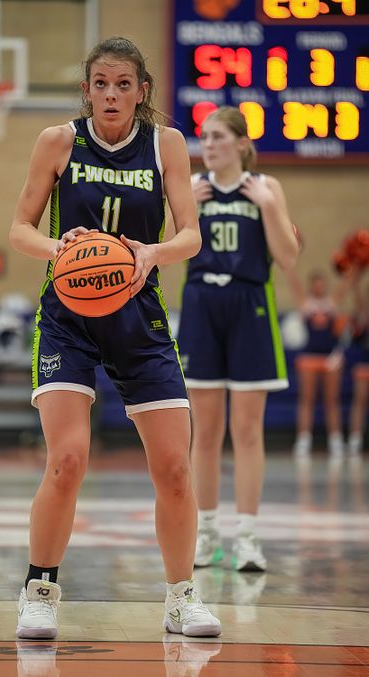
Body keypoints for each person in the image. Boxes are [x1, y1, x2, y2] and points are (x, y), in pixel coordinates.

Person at [9, 36, 221, 639]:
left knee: (175, 468)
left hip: (139, 315)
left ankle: (181, 598)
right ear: (87, 89)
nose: (111, 94)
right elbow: (20, 228)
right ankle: (39, 590)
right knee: (67, 460)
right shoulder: (58, 141)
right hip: (67, 318)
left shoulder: (166, 144)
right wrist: (59, 249)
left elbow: (190, 235)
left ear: (141, 91)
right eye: (100, 83)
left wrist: (151, 253)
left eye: (123, 84)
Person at [176, 106, 300, 572]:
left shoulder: (266, 187)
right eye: (204, 136)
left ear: (242, 143)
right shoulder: (192, 186)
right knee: (205, 431)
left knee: (247, 430)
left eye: (218, 136)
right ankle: (206, 534)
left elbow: (287, 257)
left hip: (251, 306)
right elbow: (169, 250)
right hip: (202, 304)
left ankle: (247, 536)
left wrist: (268, 206)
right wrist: (186, 209)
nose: (208, 144)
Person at [284, 267, 354, 461]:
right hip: (309, 357)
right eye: (316, 285)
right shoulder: (306, 304)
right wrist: (290, 266)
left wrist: (353, 268)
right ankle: (303, 440)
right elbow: (294, 283)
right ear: (311, 286)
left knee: (332, 400)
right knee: (306, 400)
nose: (319, 288)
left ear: (326, 286)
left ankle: (335, 441)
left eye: (322, 285)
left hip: (330, 358)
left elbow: (345, 287)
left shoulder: (331, 304)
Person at [347, 273, 369, 458]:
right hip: (365, 363)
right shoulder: (364, 315)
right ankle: (355, 440)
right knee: (359, 400)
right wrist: (355, 284)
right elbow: (360, 304)